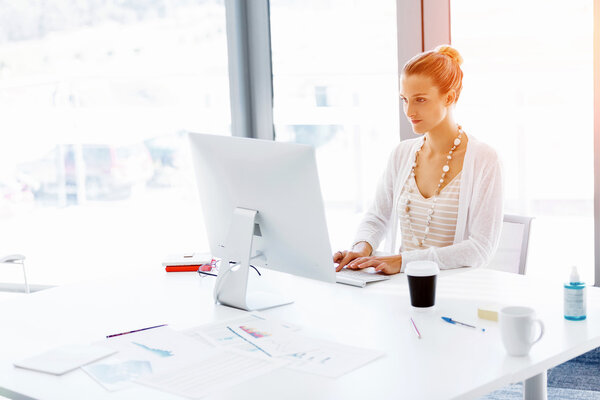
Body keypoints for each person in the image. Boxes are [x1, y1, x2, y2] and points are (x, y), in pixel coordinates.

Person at [334, 45, 503, 275]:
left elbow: (480, 248)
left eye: (420, 100)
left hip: (451, 292)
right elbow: (377, 216)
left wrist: (403, 262)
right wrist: (361, 247)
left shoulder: (485, 160)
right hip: (403, 287)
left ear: (450, 97)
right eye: (404, 99)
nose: (409, 111)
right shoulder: (401, 154)